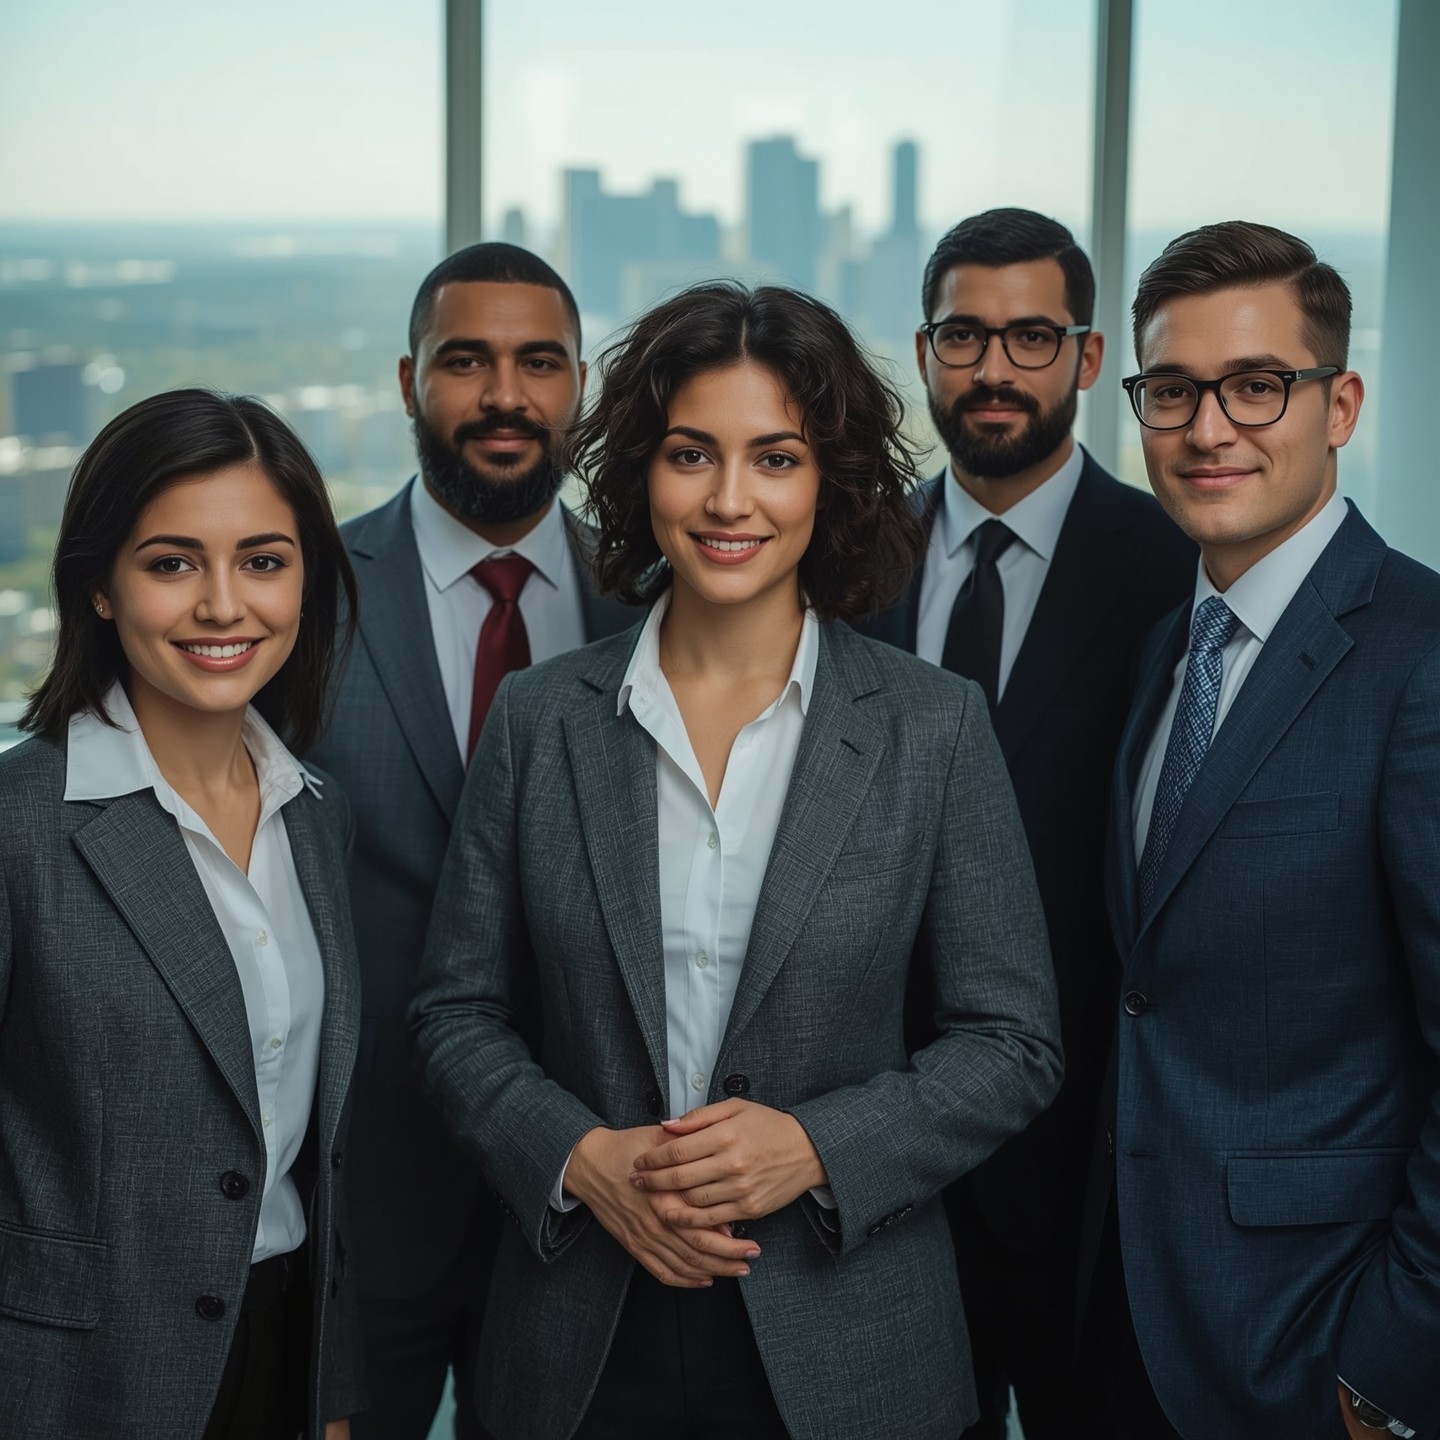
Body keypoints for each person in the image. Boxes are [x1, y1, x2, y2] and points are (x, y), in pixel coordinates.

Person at [408, 281, 1063, 1440]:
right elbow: (456, 1013)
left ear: (833, 482)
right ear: (638, 474)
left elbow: (1012, 1043)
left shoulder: (932, 725)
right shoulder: (539, 717)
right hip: (578, 1337)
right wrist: (581, 1157)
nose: (728, 500)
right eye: (690, 454)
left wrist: (816, 1147)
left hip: (851, 1332)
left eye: (775, 459)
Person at [1079, 220, 1440, 1439]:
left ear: (1338, 403)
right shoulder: (1164, 648)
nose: (1209, 428)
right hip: (1129, 1317)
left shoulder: (1420, 656)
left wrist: (1390, 1362)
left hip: (1316, 1343)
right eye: (1172, 390)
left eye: (1256, 385)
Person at [860, 206, 1194, 1438]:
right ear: (927, 350)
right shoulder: (844, 554)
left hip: (1089, 1185)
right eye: (965, 336)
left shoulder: (1174, 568)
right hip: (870, 1162)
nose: (994, 369)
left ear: (1090, 359)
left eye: (1031, 337)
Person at [303, 241, 630, 1440]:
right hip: (360, 1190)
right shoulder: (306, 594)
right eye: (466, 362)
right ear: (407, 382)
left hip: (591, 1203)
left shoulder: (657, 599)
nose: (505, 395)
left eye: (539, 362)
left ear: (579, 386)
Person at [0, 388, 365, 1438]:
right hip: (70, 1391)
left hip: (279, 1360)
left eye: (263, 560)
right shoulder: (20, 829)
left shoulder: (318, 821)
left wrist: (331, 1396)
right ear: (102, 588)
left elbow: (316, 1151)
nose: (223, 606)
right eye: (171, 563)